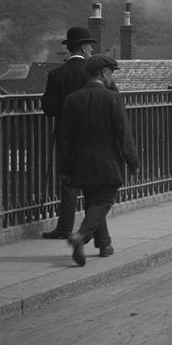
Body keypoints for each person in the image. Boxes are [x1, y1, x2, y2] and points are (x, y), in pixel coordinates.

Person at [59, 55, 140, 266]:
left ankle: (104, 244)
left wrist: (64, 168)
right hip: (108, 161)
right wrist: (133, 162)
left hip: (81, 163)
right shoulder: (112, 98)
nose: (112, 77)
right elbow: (124, 133)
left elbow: (64, 139)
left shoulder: (71, 99)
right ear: (104, 73)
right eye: (111, 73)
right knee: (104, 201)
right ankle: (81, 237)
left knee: (92, 202)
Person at [40, 26, 98, 240]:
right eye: (89, 46)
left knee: (69, 181)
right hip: (93, 135)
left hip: (67, 135)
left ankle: (65, 228)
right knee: (93, 183)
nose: (91, 50)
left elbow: (48, 107)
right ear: (83, 47)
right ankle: (93, 231)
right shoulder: (93, 72)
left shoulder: (57, 75)